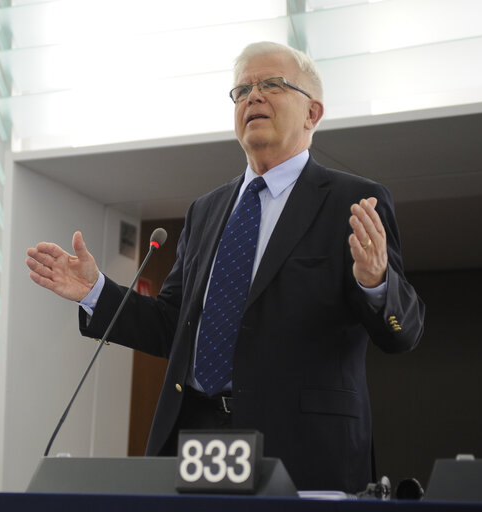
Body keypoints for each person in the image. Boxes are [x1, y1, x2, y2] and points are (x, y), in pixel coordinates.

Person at [26, 41, 425, 493]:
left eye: (271, 84)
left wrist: (375, 282)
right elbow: (170, 325)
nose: (253, 96)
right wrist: (96, 290)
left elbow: (403, 332)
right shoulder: (207, 209)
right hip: (194, 439)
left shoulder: (352, 201)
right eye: (241, 90)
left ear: (313, 113)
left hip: (302, 447)